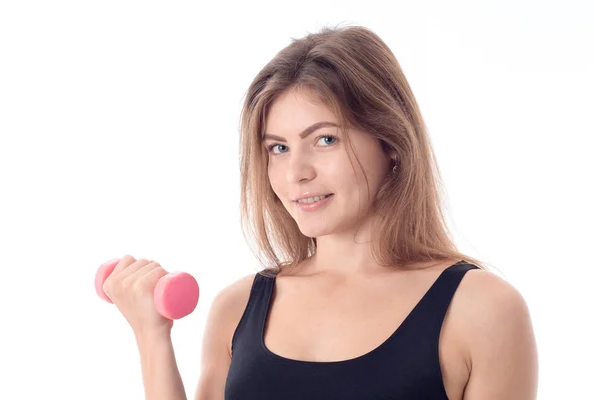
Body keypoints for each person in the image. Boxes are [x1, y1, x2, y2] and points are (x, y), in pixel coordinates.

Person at [104, 24, 538, 400]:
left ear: (391, 143)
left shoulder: (483, 309)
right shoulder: (237, 308)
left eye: (325, 139)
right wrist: (151, 335)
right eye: (278, 148)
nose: (297, 173)